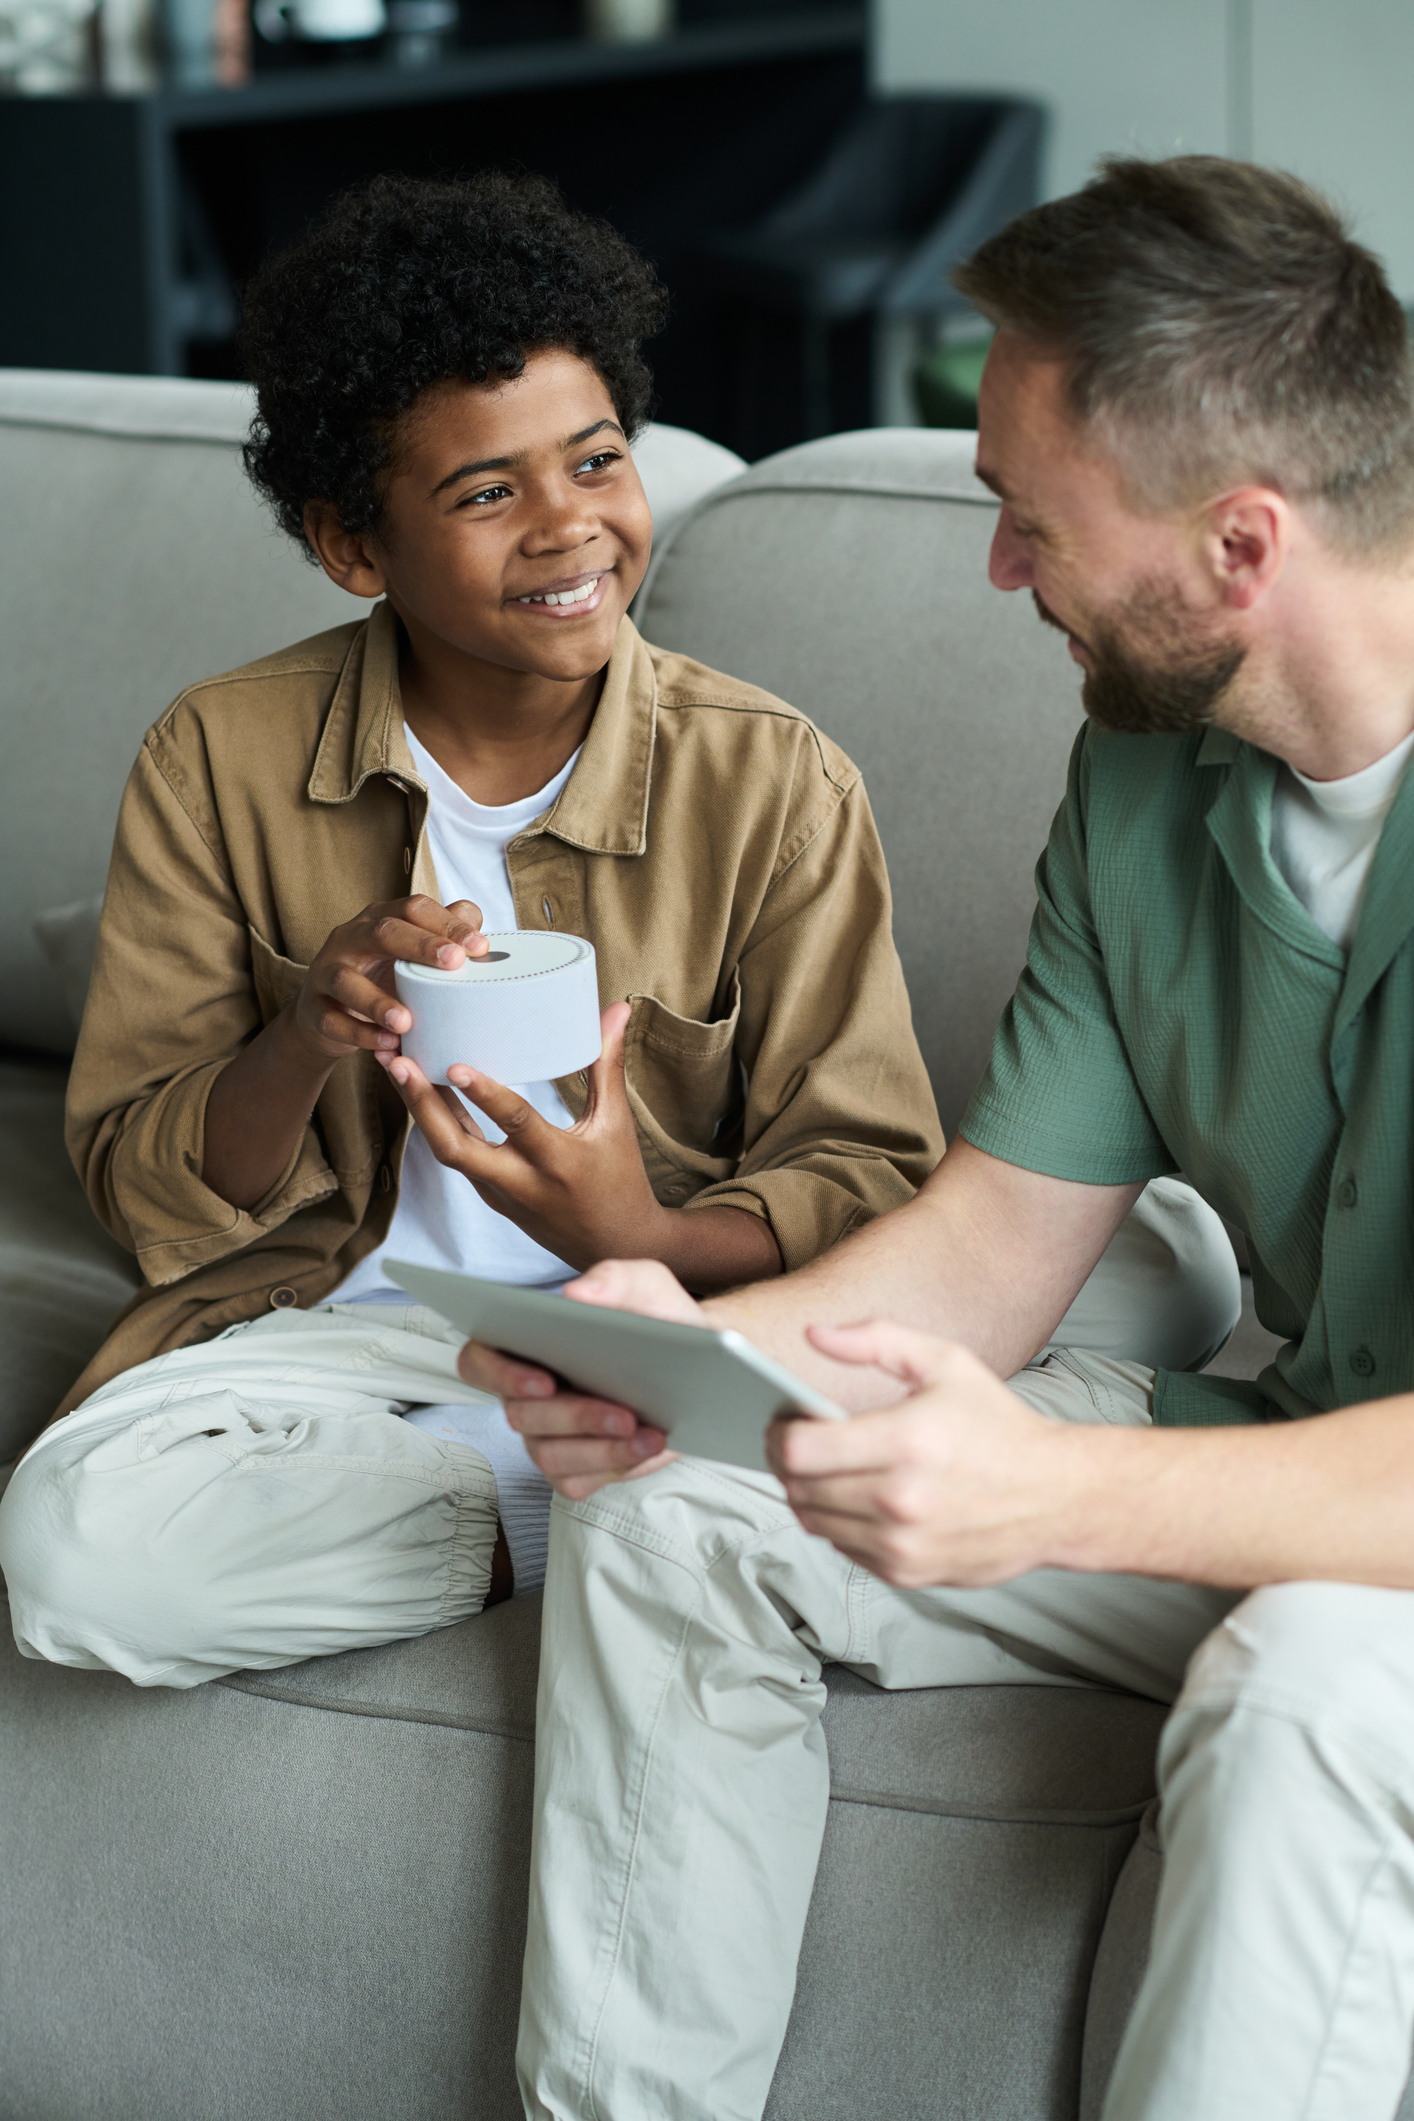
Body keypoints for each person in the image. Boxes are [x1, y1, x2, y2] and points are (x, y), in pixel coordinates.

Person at [450, 157, 1414, 2121]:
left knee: (1314, 1671)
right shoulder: (1148, 765)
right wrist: (681, 1357)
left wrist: (1046, 1492)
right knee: (685, 1500)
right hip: (1291, 1461)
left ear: (1237, 544)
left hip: (1359, 1558)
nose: (998, 574)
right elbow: (993, 1238)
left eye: (1025, 520)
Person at [0, 170, 1232, 1685]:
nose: (566, 524)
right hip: (361, 1320)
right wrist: (302, 1034)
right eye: (483, 491)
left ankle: (624, 1471)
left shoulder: (769, 776)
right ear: (351, 542)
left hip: (686, 1309)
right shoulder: (220, 756)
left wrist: (628, 1230)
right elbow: (148, 1192)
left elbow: (863, 1169)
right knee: (78, 1555)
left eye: (594, 459)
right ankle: (564, 1495)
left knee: (1152, 1261)